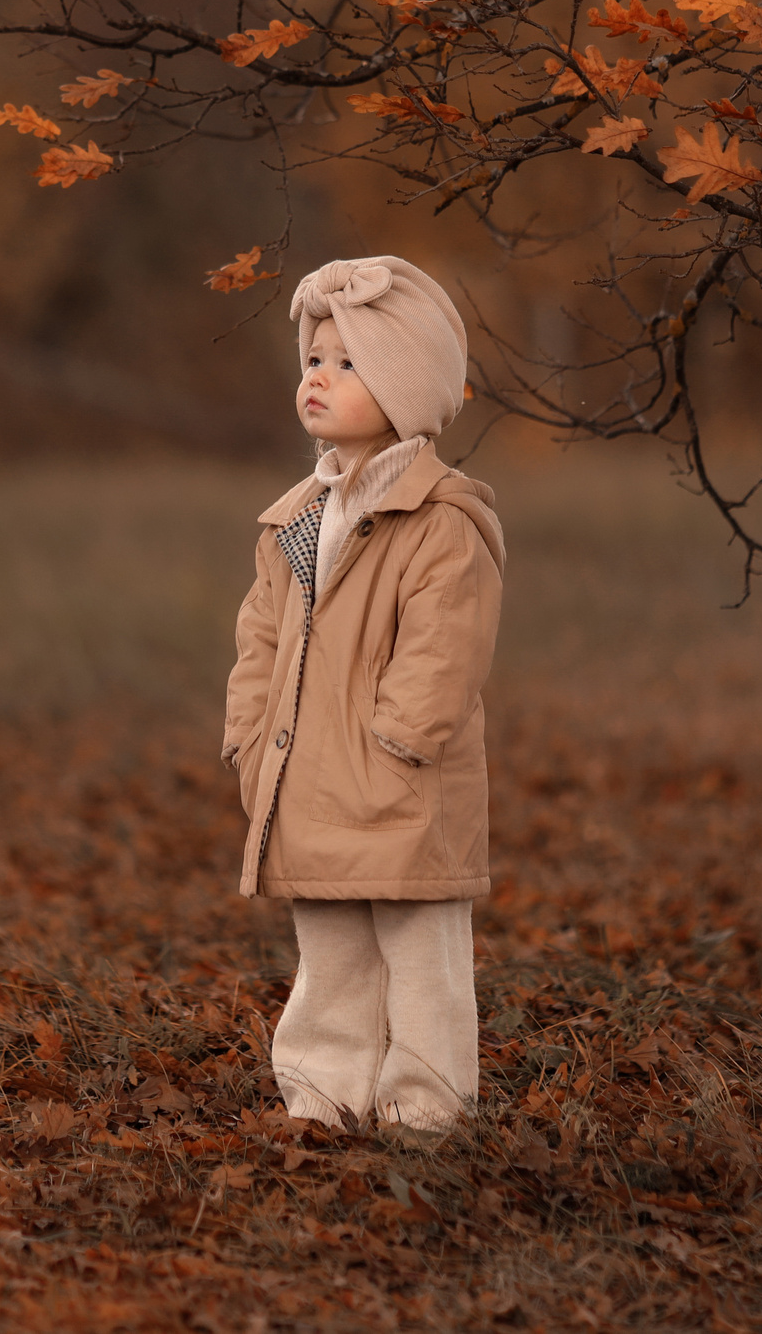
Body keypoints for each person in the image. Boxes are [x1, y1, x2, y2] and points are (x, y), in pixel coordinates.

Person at [222, 255, 506, 1135]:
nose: (320, 377)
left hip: (401, 787)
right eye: (315, 359)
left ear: (405, 387)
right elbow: (259, 639)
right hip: (309, 779)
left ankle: (425, 1107)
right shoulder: (296, 520)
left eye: (350, 365)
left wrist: (397, 742)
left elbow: (443, 649)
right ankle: (322, 1094)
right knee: (332, 957)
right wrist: (247, 732)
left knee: (421, 961)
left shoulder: (443, 520)